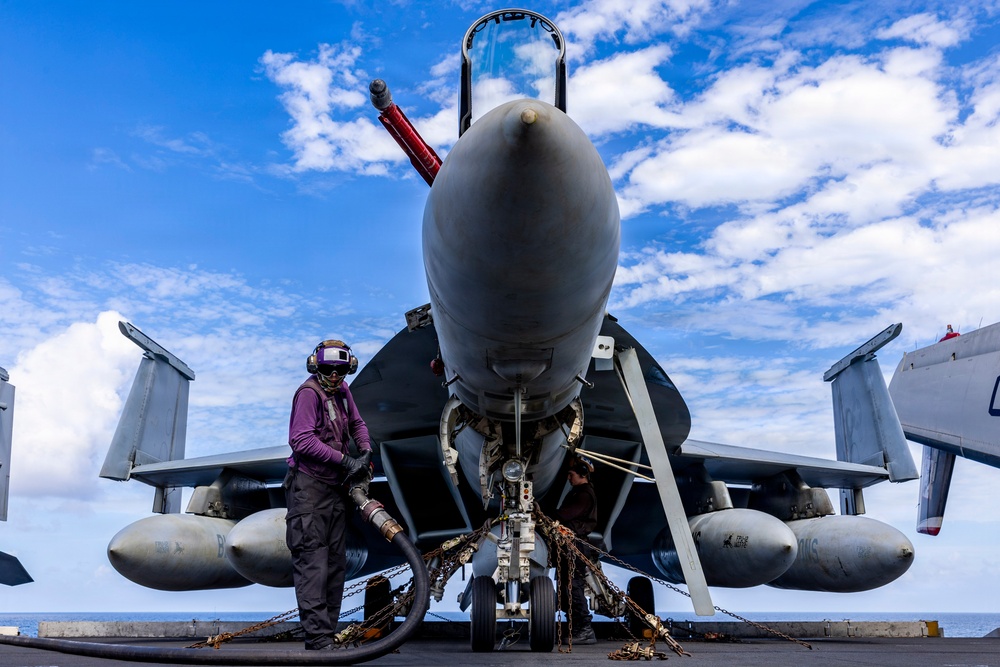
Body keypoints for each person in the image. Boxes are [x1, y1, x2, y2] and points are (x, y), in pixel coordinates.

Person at [284, 339, 373, 650]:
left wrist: (364, 452)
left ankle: (327, 633)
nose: (334, 376)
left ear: (348, 368)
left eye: (340, 370)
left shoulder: (342, 391)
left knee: (336, 564)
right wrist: (345, 460)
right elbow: (301, 440)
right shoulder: (308, 394)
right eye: (327, 369)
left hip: (335, 490)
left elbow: (358, 424)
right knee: (313, 563)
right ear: (315, 366)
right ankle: (317, 638)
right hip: (308, 490)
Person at [555, 456, 598, 645]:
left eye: (571, 474)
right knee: (566, 585)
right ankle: (575, 626)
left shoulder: (584, 494)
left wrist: (543, 511)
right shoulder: (577, 492)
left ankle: (585, 630)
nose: (568, 478)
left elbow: (565, 515)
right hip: (569, 545)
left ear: (582, 474)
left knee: (573, 585)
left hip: (576, 545)